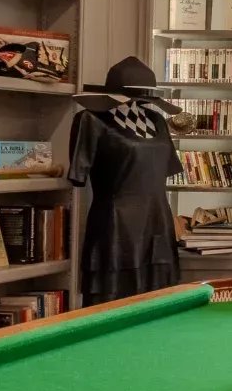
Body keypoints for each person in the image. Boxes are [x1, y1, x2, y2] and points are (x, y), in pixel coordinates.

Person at [68, 57, 183, 305]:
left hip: (158, 224)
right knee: (111, 304)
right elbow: (78, 174)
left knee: (160, 305)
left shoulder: (157, 121)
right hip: (115, 227)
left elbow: (164, 170)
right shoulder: (90, 120)